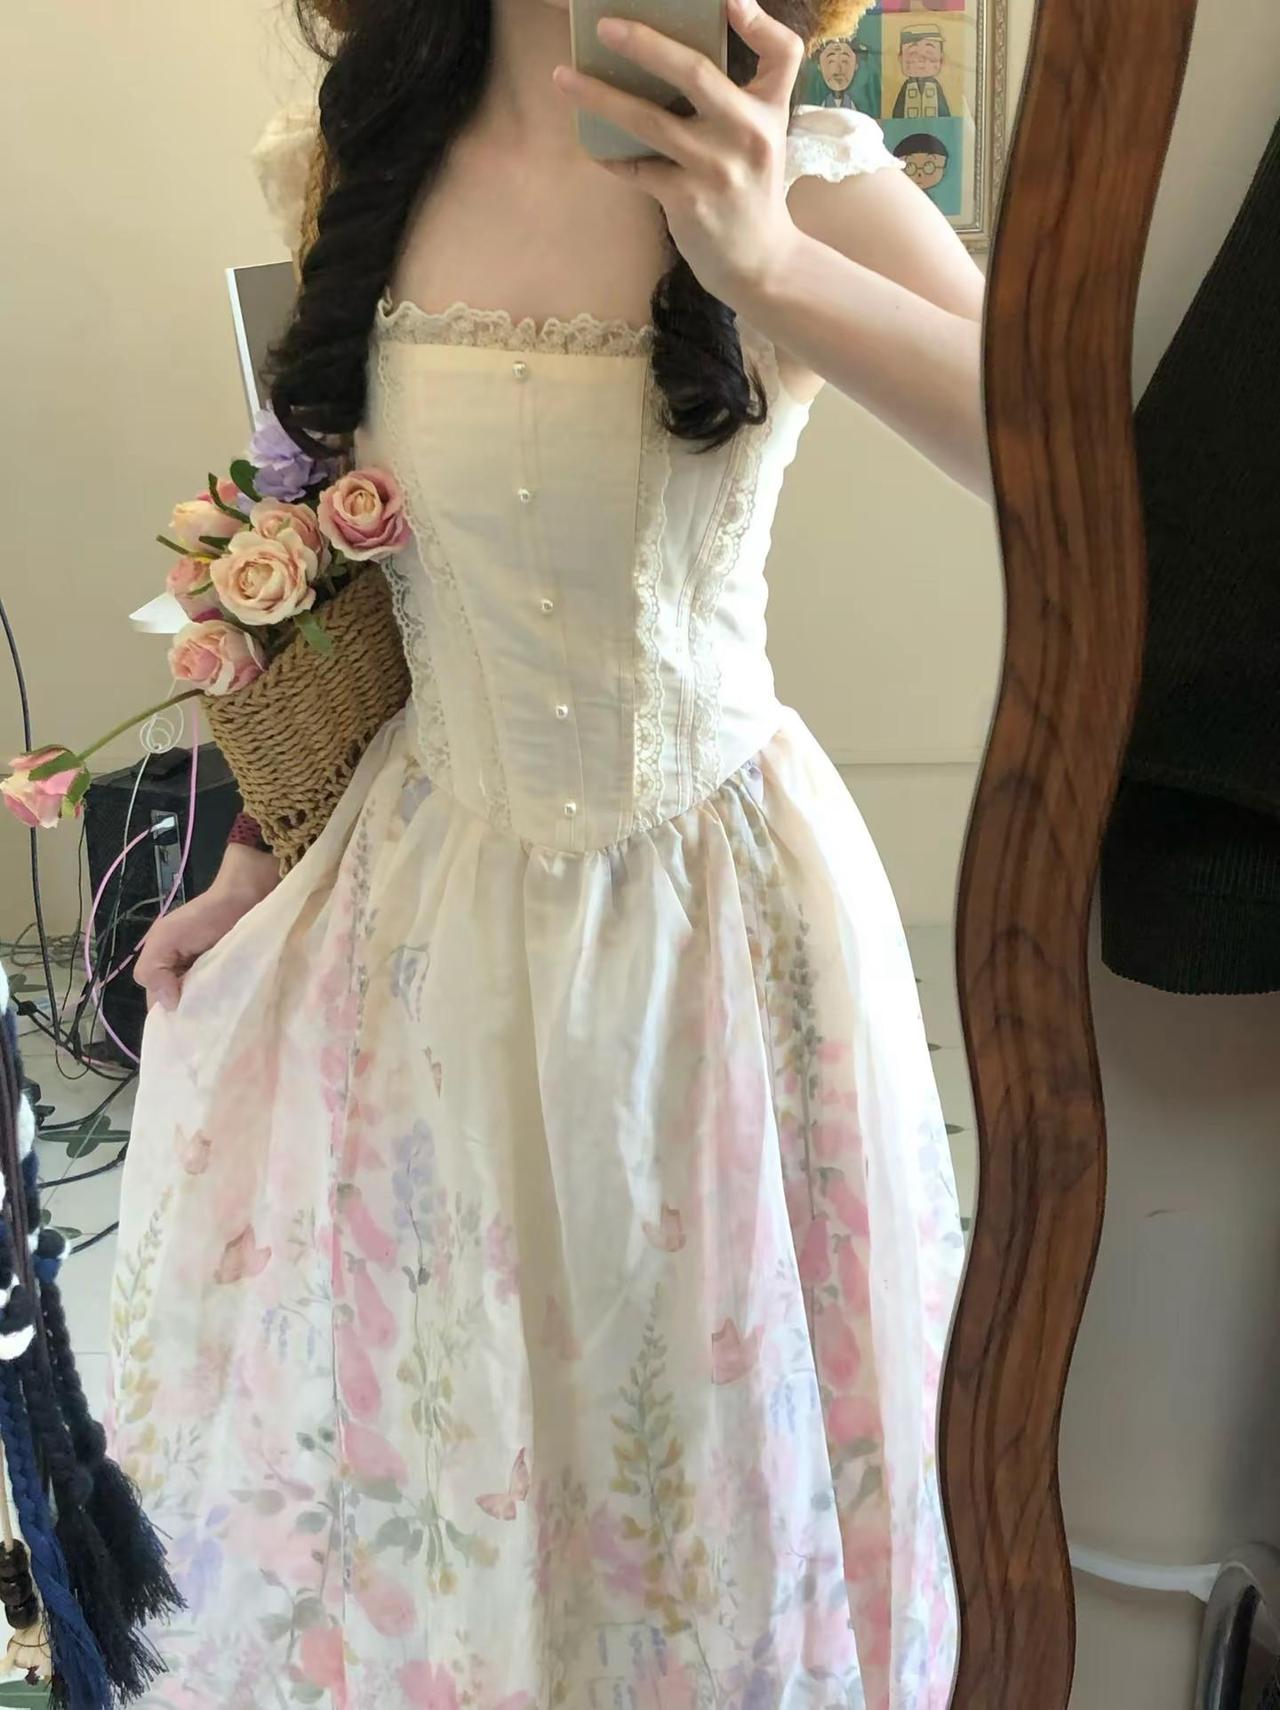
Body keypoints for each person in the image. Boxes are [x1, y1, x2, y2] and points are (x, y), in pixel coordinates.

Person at [112, 0, 985, 1703]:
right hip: (424, 915)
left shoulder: (800, 169)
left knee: (690, 1435)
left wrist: (766, 260)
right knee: (456, 1429)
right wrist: (250, 855)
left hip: (718, 932)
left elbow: (1067, 462)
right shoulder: (365, 155)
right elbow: (338, 556)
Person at [892, 23, 951, 120]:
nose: (921, 61)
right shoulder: (906, 88)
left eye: (929, 53)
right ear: (900, 58)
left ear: (941, 58)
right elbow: (898, 112)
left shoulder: (936, 88)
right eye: (912, 54)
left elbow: (944, 114)